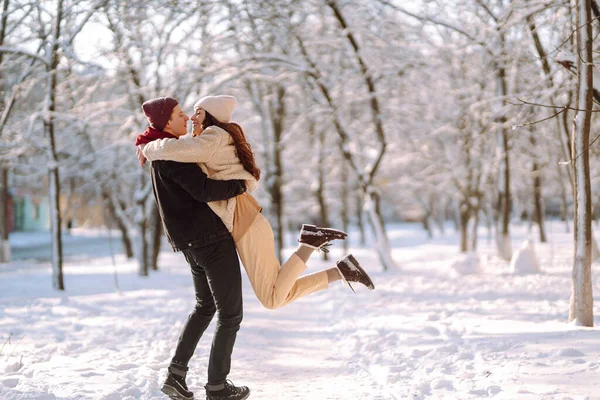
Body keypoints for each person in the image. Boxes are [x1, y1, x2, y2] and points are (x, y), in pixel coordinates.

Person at [139, 95, 375, 313]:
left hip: (247, 224)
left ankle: (314, 246)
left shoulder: (214, 136)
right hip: (247, 222)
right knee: (277, 295)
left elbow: (180, 149)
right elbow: (183, 148)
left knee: (272, 299)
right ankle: (337, 266)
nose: (191, 118)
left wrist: (148, 146)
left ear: (211, 116)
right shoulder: (209, 139)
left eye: (198, 112)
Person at [135, 97, 251, 400]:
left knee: (206, 307)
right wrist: (240, 184)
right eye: (178, 114)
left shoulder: (163, 151)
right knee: (231, 314)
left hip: (190, 242)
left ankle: (175, 375)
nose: (185, 117)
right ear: (165, 122)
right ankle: (217, 387)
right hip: (210, 238)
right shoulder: (173, 155)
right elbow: (204, 190)